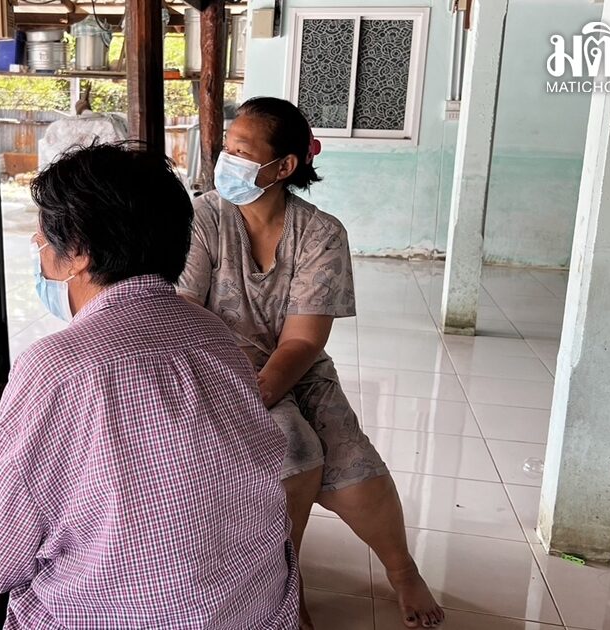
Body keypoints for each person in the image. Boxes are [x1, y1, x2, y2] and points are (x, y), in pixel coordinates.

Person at [0, 143, 299, 629]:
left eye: (43, 239)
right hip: (252, 611)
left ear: (78, 254)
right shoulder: (213, 334)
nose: (39, 252)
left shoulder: (59, 364)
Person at [177, 96, 445, 629]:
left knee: (352, 463)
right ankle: (286, 583)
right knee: (296, 453)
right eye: (228, 147)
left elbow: (302, 341)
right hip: (218, 368)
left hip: (297, 369)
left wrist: (264, 392)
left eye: (242, 151)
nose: (227, 159)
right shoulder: (202, 218)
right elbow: (183, 312)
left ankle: (402, 570)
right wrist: (243, 392)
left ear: (284, 166)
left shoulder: (321, 233)